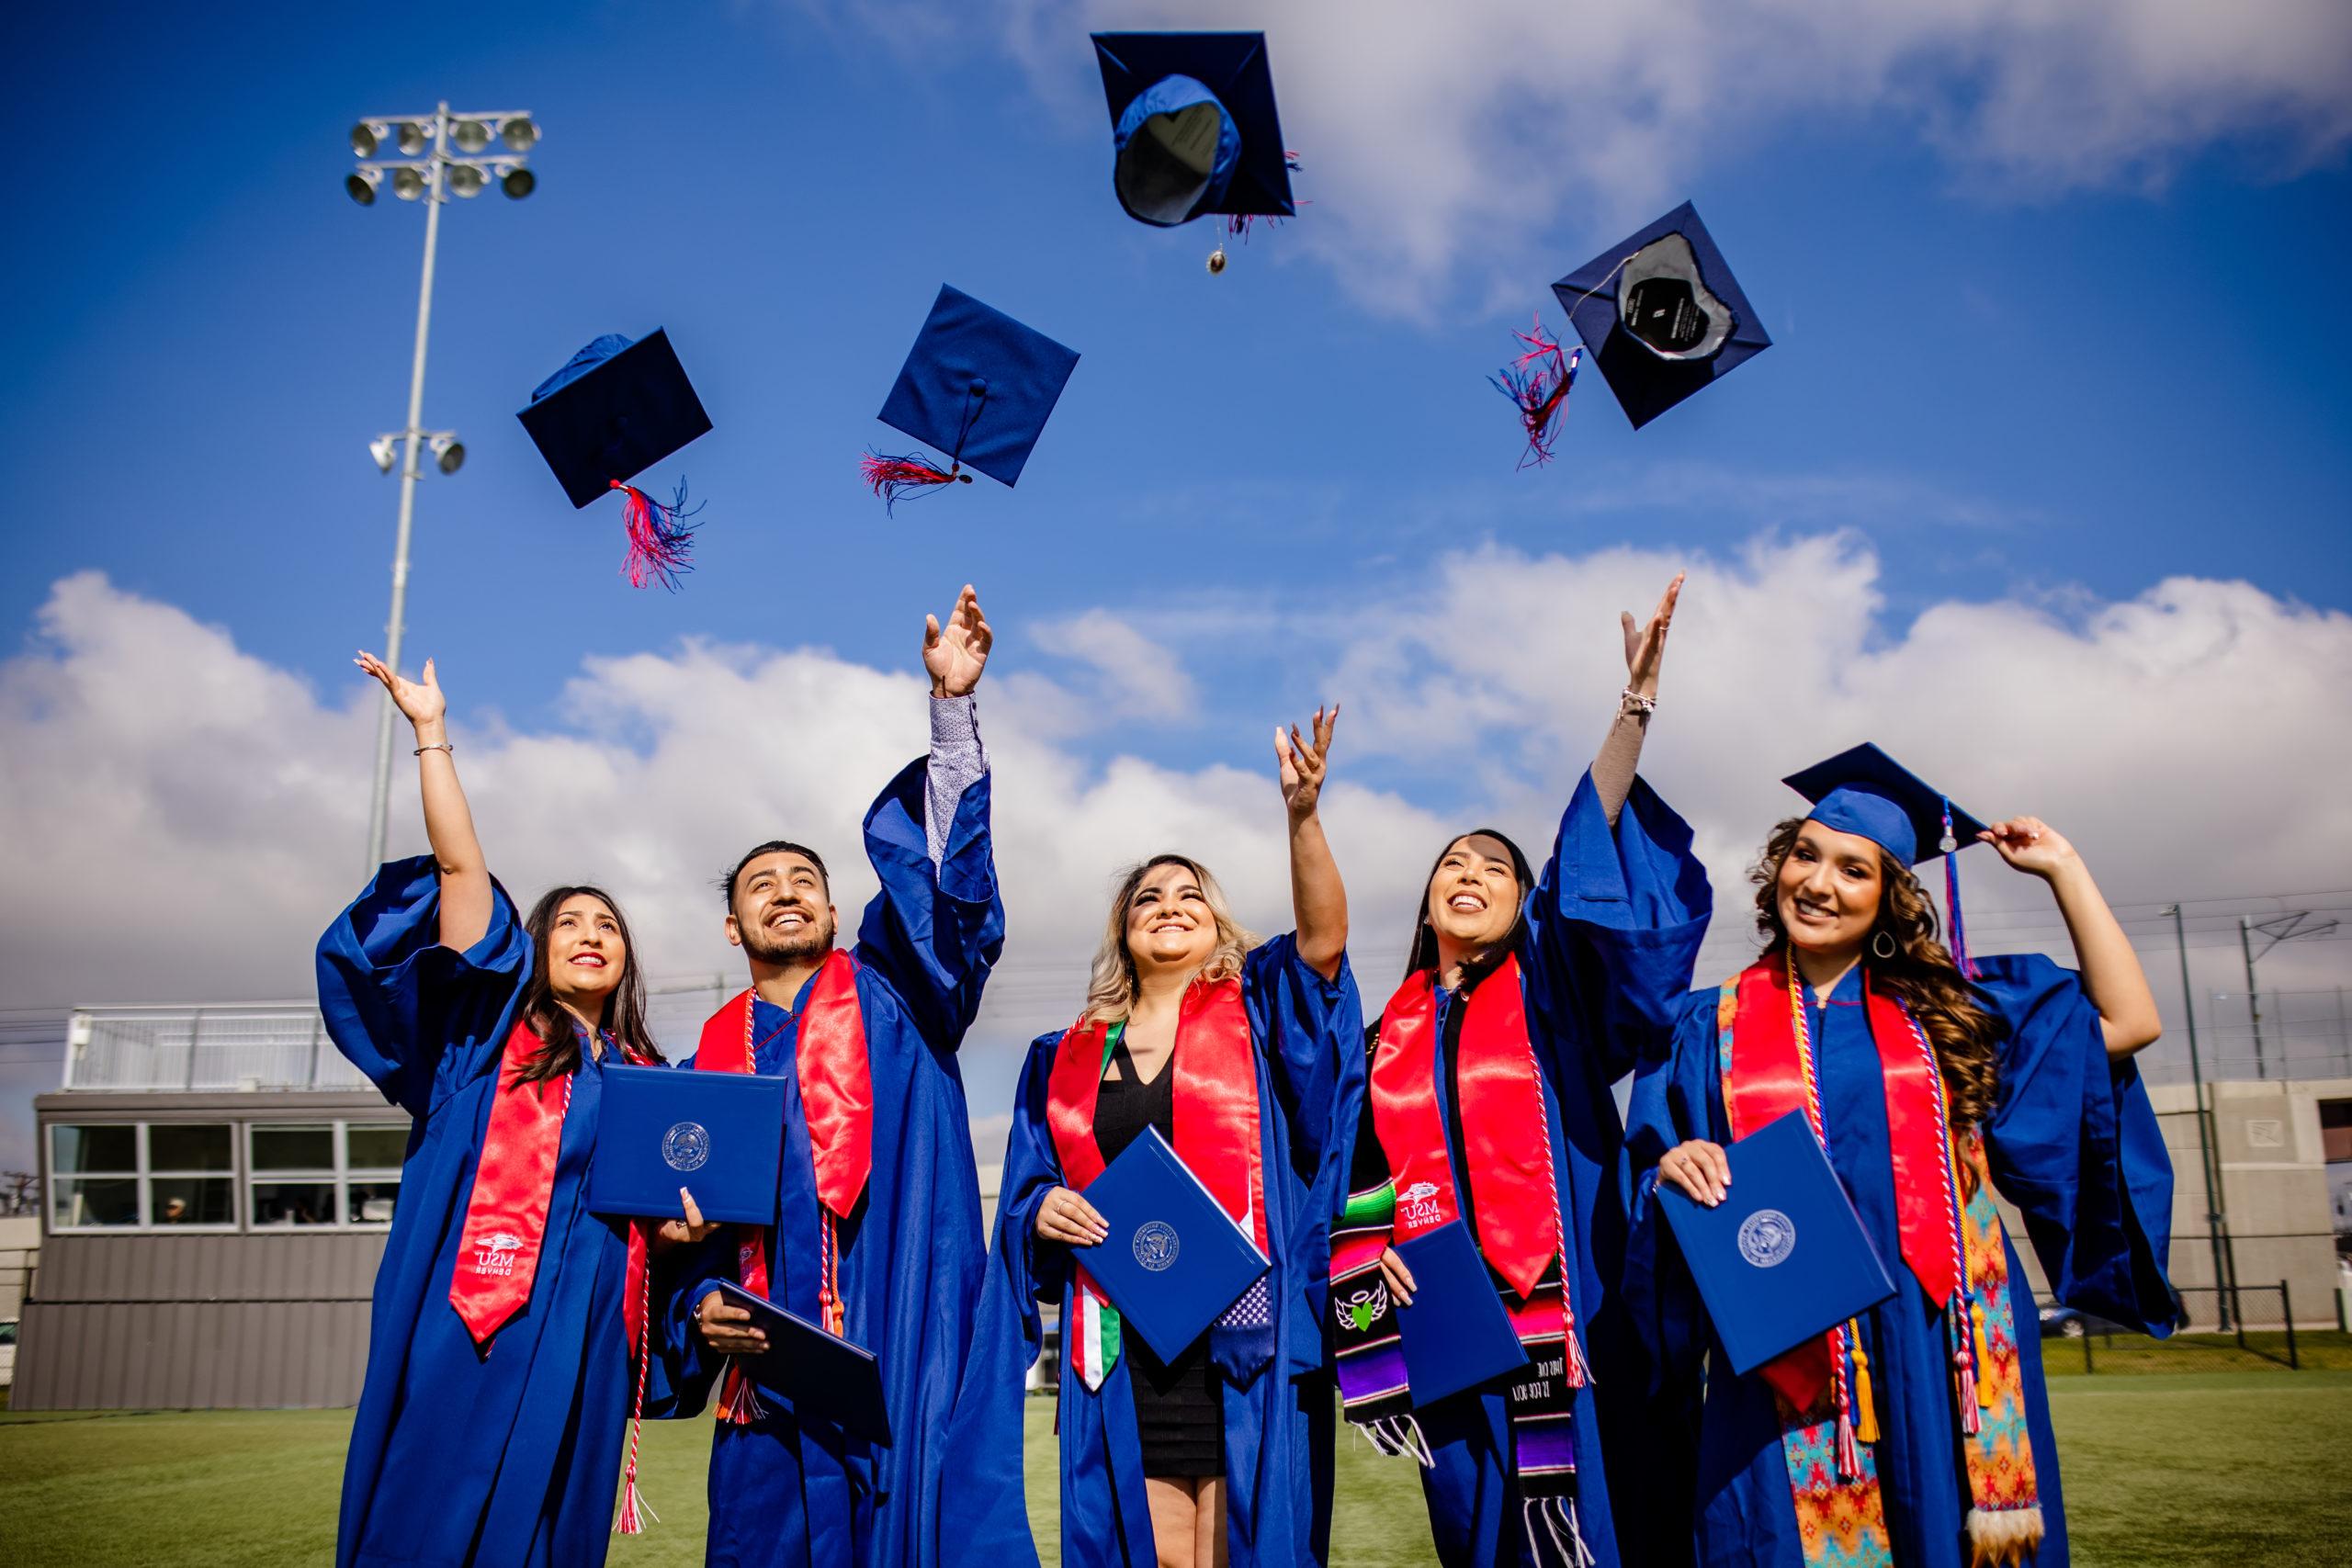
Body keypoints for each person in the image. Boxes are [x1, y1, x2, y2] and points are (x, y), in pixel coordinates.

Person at [1624, 746, 2175, 1568]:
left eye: (1854, 869)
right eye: (1805, 855)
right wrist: (1674, 1166)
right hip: (1785, 1347)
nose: (1819, 882)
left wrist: (2064, 869)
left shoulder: (1946, 1011)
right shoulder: (1708, 1025)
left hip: (1943, 1336)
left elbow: (2128, 1023)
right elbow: (1653, 1166)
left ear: (1888, 899)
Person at [1329, 574, 1713, 1568]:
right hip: (1443, 1320)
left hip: (1565, 1306)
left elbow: (1582, 853)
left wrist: (1630, 713)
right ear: (1424, 905)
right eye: (1450, 864)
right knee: (1474, 1536)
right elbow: (1355, 1175)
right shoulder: (1386, 1034)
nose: (1468, 874)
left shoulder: (1549, 993)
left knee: (1594, 1525)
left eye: (1493, 869)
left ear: (1521, 906)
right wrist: (1372, 1258)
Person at [658, 585, 1031, 1568]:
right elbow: (668, 1229)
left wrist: (950, 719)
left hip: (902, 1344)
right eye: (760, 887)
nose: (787, 893)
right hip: (766, 1388)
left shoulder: (894, 994)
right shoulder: (702, 1063)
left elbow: (949, 897)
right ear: (732, 928)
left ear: (832, 912)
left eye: (805, 882)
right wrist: (696, 1305)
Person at [318, 650, 706, 1568]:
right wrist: (429, 733)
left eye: (607, 925)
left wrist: (681, 1239)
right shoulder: (482, 1040)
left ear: (626, 961)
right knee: (428, 1510)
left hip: (591, 1325)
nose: (590, 935)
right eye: (569, 921)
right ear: (533, 947)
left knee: (553, 1526)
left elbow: (666, 1208)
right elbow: (460, 867)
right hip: (474, 1310)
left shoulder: (653, 1080)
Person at [982, 705, 1363, 1568]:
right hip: (1124, 1346)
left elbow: (1325, 943)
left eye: (1191, 893)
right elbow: (1029, 1189)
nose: (1169, 904)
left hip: (1244, 1343)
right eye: (1148, 896)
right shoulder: (1062, 1058)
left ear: (1219, 924)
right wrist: (1043, 1211)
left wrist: (1302, 816)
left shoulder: (1262, 1011)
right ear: (1123, 928)